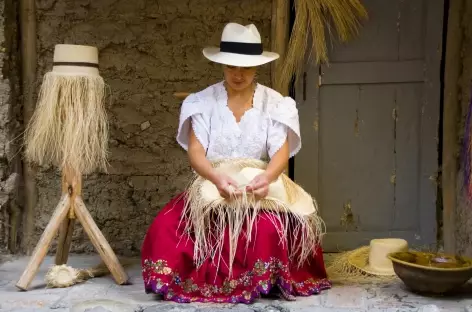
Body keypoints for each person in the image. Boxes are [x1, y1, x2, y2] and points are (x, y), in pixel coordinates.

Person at [141, 22, 331, 304]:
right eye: (231, 66)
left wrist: (267, 178)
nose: (238, 74)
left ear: (257, 67)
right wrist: (217, 179)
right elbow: (196, 151)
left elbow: (280, 151)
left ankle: (264, 279)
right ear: (221, 65)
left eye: (245, 67)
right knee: (166, 227)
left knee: (266, 230)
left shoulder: (275, 103)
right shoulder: (203, 102)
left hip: (259, 182)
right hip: (214, 181)